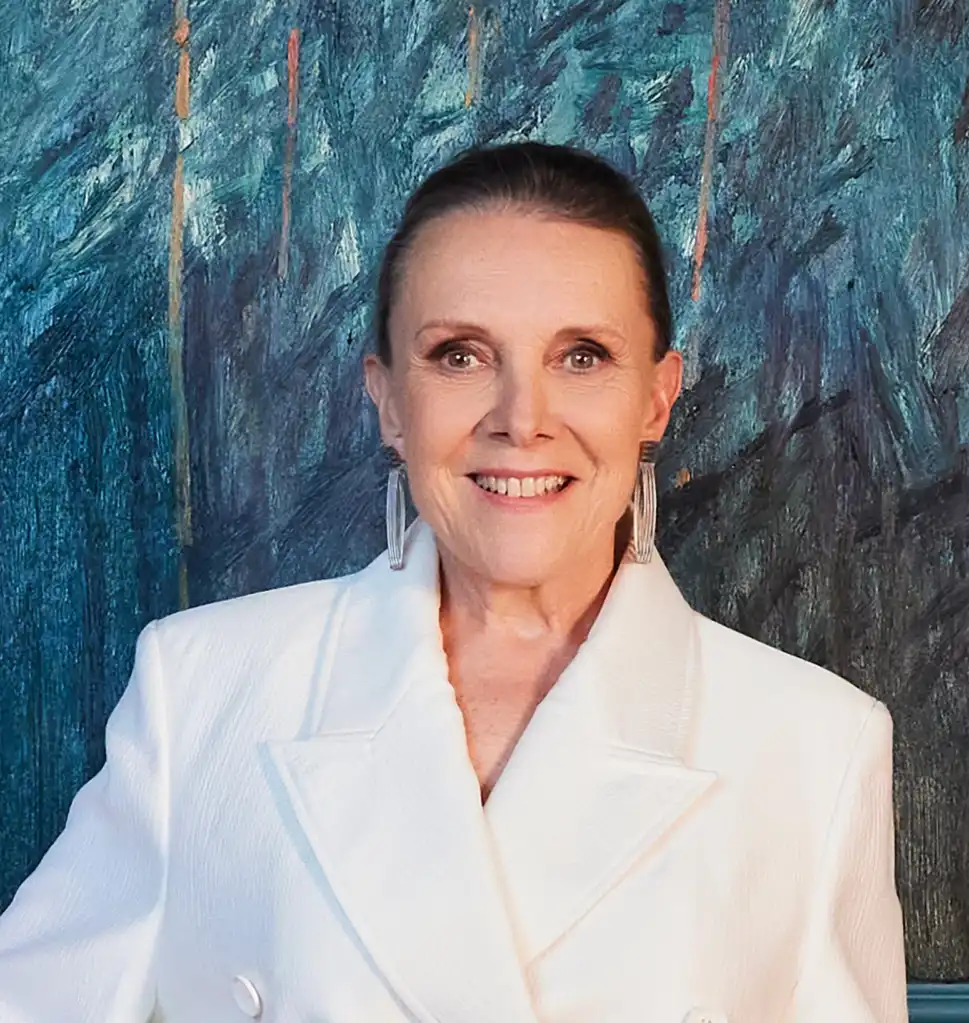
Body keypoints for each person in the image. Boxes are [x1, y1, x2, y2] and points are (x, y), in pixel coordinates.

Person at [0, 141, 908, 1023]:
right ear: (389, 398)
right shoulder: (201, 688)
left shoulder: (818, 745)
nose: (522, 419)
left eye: (582, 355)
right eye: (461, 355)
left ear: (656, 398)